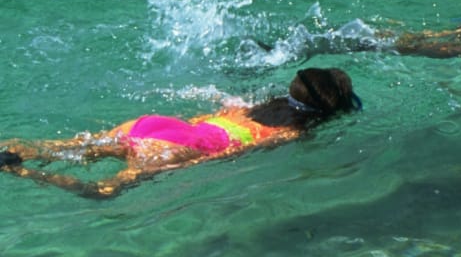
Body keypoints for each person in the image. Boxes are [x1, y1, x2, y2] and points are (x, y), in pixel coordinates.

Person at [0, 68, 360, 199]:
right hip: (177, 146)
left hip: (158, 126)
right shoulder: (291, 135)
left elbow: (210, 116)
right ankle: (21, 171)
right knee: (104, 191)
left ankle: (17, 152)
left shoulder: (251, 107)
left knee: (67, 148)